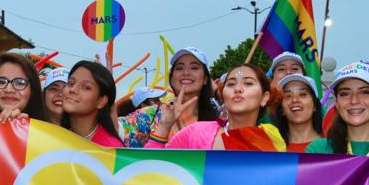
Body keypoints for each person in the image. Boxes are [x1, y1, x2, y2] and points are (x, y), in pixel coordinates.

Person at [149, 63, 283, 150]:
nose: (238, 89)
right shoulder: (195, 133)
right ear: (224, 96)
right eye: (231, 84)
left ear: (264, 98)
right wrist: (165, 126)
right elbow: (152, 169)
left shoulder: (272, 138)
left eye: (248, 83)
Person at [118, 47, 220, 148]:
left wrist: (217, 92)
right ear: (171, 79)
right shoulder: (150, 115)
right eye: (179, 68)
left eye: (194, 68)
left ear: (206, 79)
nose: (186, 73)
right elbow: (114, 129)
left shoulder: (219, 117)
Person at [62, 61, 122, 147]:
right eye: (71, 83)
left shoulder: (110, 149)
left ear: (101, 101)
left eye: (86, 87)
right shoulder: (53, 136)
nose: (73, 90)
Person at [0, 53, 47, 121]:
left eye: (19, 83)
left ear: (32, 89)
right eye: (1, 82)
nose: (9, 90)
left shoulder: (48, 130)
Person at [273, 74, 324, 152]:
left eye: (302, 94)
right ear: (282, 109)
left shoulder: (332, 147)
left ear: (315, 106)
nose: (295, 100)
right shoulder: (271, 148)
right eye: (288, 96)